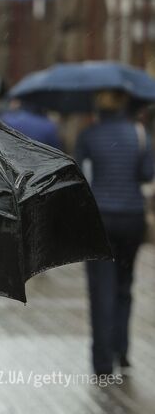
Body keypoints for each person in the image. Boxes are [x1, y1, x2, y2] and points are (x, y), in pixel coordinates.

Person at [75, 90, 155, 376]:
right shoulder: (140, 133)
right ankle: (122, 351)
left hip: (100, 220)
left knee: (101, 290)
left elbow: (79, 175)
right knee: (124, 285)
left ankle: (102, 362)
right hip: (132, 219)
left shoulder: (89, 135)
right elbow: (147, 174)